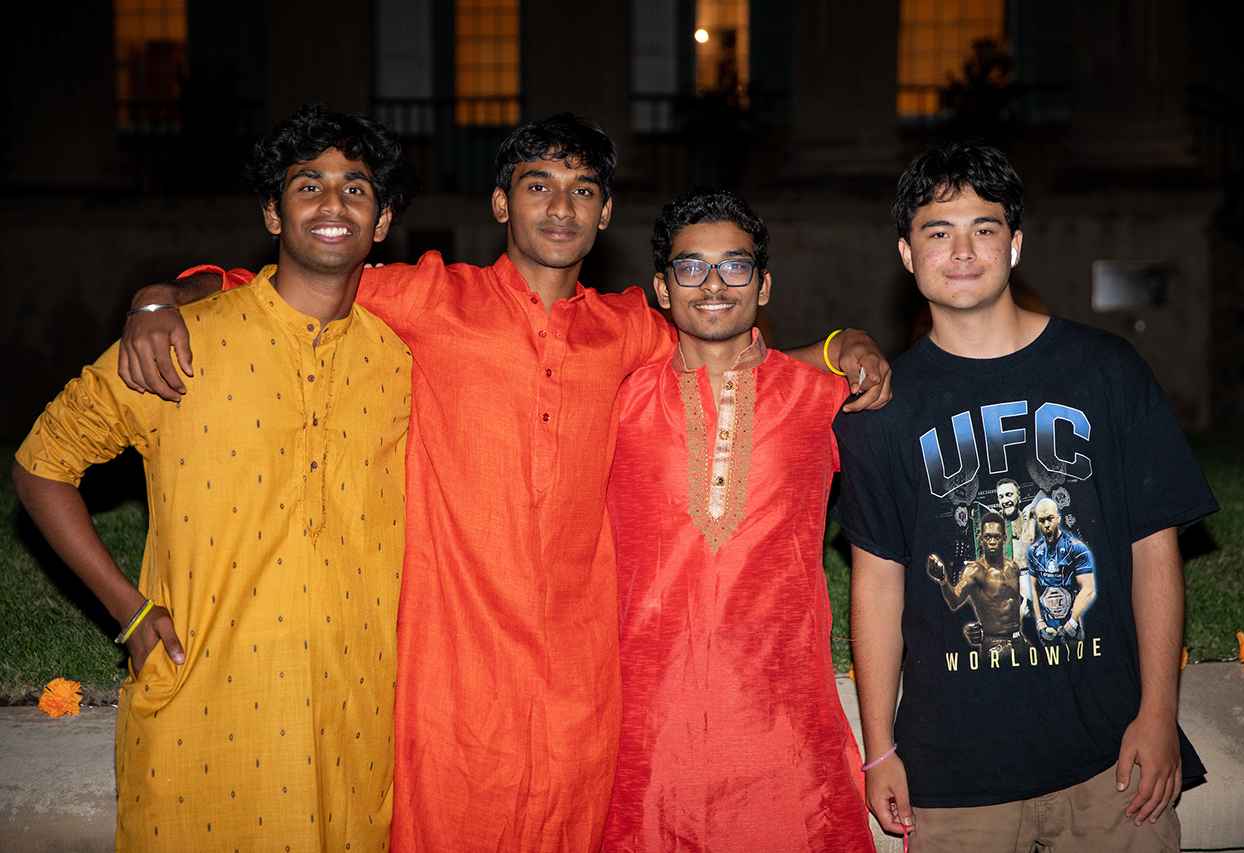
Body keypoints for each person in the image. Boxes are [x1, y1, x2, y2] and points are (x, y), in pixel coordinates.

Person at [115, 114, 892, 851]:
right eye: (538, 184)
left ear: (605, 211)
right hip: (452, 671)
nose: (561, 205)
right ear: (499, 202)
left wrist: (835, 347)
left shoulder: (628, 326)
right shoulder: (428, 296)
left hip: (581, 684)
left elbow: (724, 340)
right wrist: (167, 293)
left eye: (583, 189)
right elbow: (284, 283)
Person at [13, 103, 417, 851]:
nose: (333, 203)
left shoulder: (401, 365)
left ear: (383, 222)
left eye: (356, 189)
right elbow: (42, 464)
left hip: (350, 738)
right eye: (308, 185)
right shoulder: (180, 340)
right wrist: (128, 612)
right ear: (271, 212)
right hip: (197, 729)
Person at [834, 141, 1218, 852]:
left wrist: (1160, 712)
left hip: (1112, 764)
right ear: (905, 252)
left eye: (983, 228)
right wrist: (879, 747)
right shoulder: (878, 410)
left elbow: (1154, 550)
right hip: (952, 780)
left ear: (1015, 243)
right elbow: (879, 581)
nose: (961, 250)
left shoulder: (1106, 371)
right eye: (936, 231)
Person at [603, 188, 876, 852]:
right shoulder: (616, 401)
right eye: (691, 268)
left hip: (785, 740)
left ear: (764, 283)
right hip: (645, 745)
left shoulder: (826, 398)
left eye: (736, 265)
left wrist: (848, 344)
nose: (715, 283)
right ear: (662, 289)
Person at [926, 511, 1026, 663]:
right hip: (995, 644)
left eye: (996, 537)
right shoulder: (975, 571)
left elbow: (1014, 601)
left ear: (1004, 539)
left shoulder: (1013, 568)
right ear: (981, 540)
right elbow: (954, 600)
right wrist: (943, 579)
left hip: (1019, 640)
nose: (992, 541)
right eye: (988, 537)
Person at [1026, 496, 1097, 642]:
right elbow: (1033, 589)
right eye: (1042, 520)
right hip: (1047, 628)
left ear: (1058, 518)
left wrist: (1071, 623)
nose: (1046, 524)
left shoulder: (1076, 548)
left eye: (1050, 518)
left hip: (1071, 627)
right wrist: (1040, 623)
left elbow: (1089, 589)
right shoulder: (1033, 552)